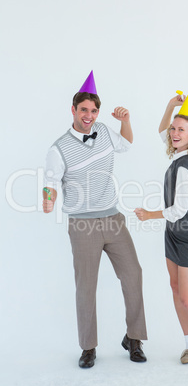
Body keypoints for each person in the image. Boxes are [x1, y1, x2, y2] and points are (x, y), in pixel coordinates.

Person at [43, 71, 147, 368]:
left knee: (133, 275)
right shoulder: (58, 147)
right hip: (82, 225)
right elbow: (51, 181)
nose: (89, 115)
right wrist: (48, 201)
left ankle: (134, 339)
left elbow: (126, 144)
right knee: (86, 286)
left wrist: (125, 120)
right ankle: (88, 347)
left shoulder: (103, 130)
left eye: (93, 110)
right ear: (73, 110)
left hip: (113, 219)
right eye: (84, 110)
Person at [135, 93, 188, 366]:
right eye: (174, 128)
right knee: (175, 289)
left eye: (180, 129)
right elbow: (162, 131)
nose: (173, 133)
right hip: (173, 234)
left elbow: (179, 210)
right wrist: (170, 107)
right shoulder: (178, 153)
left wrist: (149, 214)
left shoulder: (185, 166)